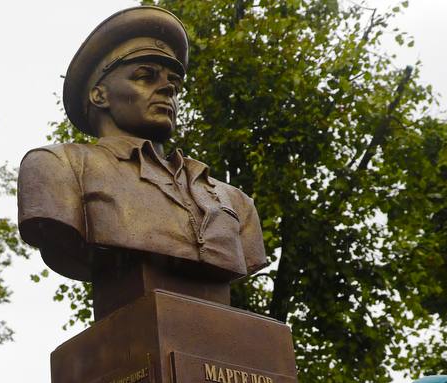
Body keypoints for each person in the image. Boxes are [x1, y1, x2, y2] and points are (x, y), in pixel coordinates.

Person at [17, 7, 266, 287]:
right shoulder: (58, 167)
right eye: (146, 76)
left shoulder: (235, 201)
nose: (168, 89)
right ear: (99, 95)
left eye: (174, 82)